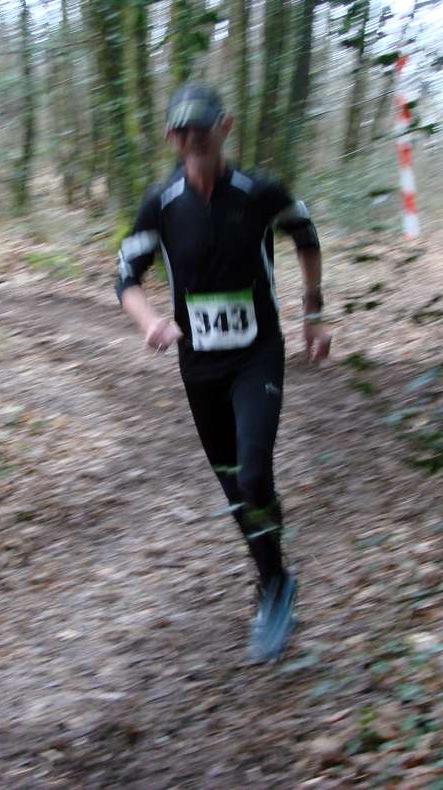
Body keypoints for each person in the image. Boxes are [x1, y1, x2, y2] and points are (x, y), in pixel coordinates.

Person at [115, 82, 331, 663]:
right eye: (183, 131)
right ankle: (274, 580)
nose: (194, 139)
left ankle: (274, 577)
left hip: (257, 353)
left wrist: (313, 312)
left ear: (225, 128)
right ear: (171, 138)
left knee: (254, 473)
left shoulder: (259, 192)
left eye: (203, 128)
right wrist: (149, 321)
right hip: (199, 364)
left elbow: (306, 235)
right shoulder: (161, 203)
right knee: (236, 483)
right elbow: (126, 276)